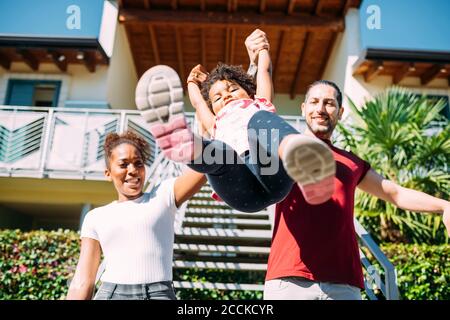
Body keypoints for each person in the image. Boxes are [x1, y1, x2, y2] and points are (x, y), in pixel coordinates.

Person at [263, 80, 450, 300]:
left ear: (340, 112)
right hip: (290, 279)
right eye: (314, 102)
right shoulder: (281, 150)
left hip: (343, 284)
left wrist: (444, 205)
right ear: (303, 108)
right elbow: (260, 109)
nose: (321, 109)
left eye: (329, 103)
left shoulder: (351, 163)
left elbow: (395, 193)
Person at [134, 29, 336, 213]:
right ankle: (183, 143)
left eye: (232, 89)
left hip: (270, 169)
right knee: (220, 151)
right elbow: (198, 103)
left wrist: (263, 49)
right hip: (240, 188)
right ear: (213, 106)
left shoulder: (258, 103)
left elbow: (264, 70)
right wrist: (191, 82)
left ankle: (298, 151)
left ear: (249, 91)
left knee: (260, 120)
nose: (227, 96)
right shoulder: (215, 121)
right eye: (218, 98)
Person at [66, 131, 206, 300]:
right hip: (111, 294)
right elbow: (82, 281)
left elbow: (206, 167)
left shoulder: (162, 196)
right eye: (123, 164)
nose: (132, 170)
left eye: (138, 163)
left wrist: (205, 115)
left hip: (159, 294)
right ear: (108, 173)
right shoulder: (95, 217)